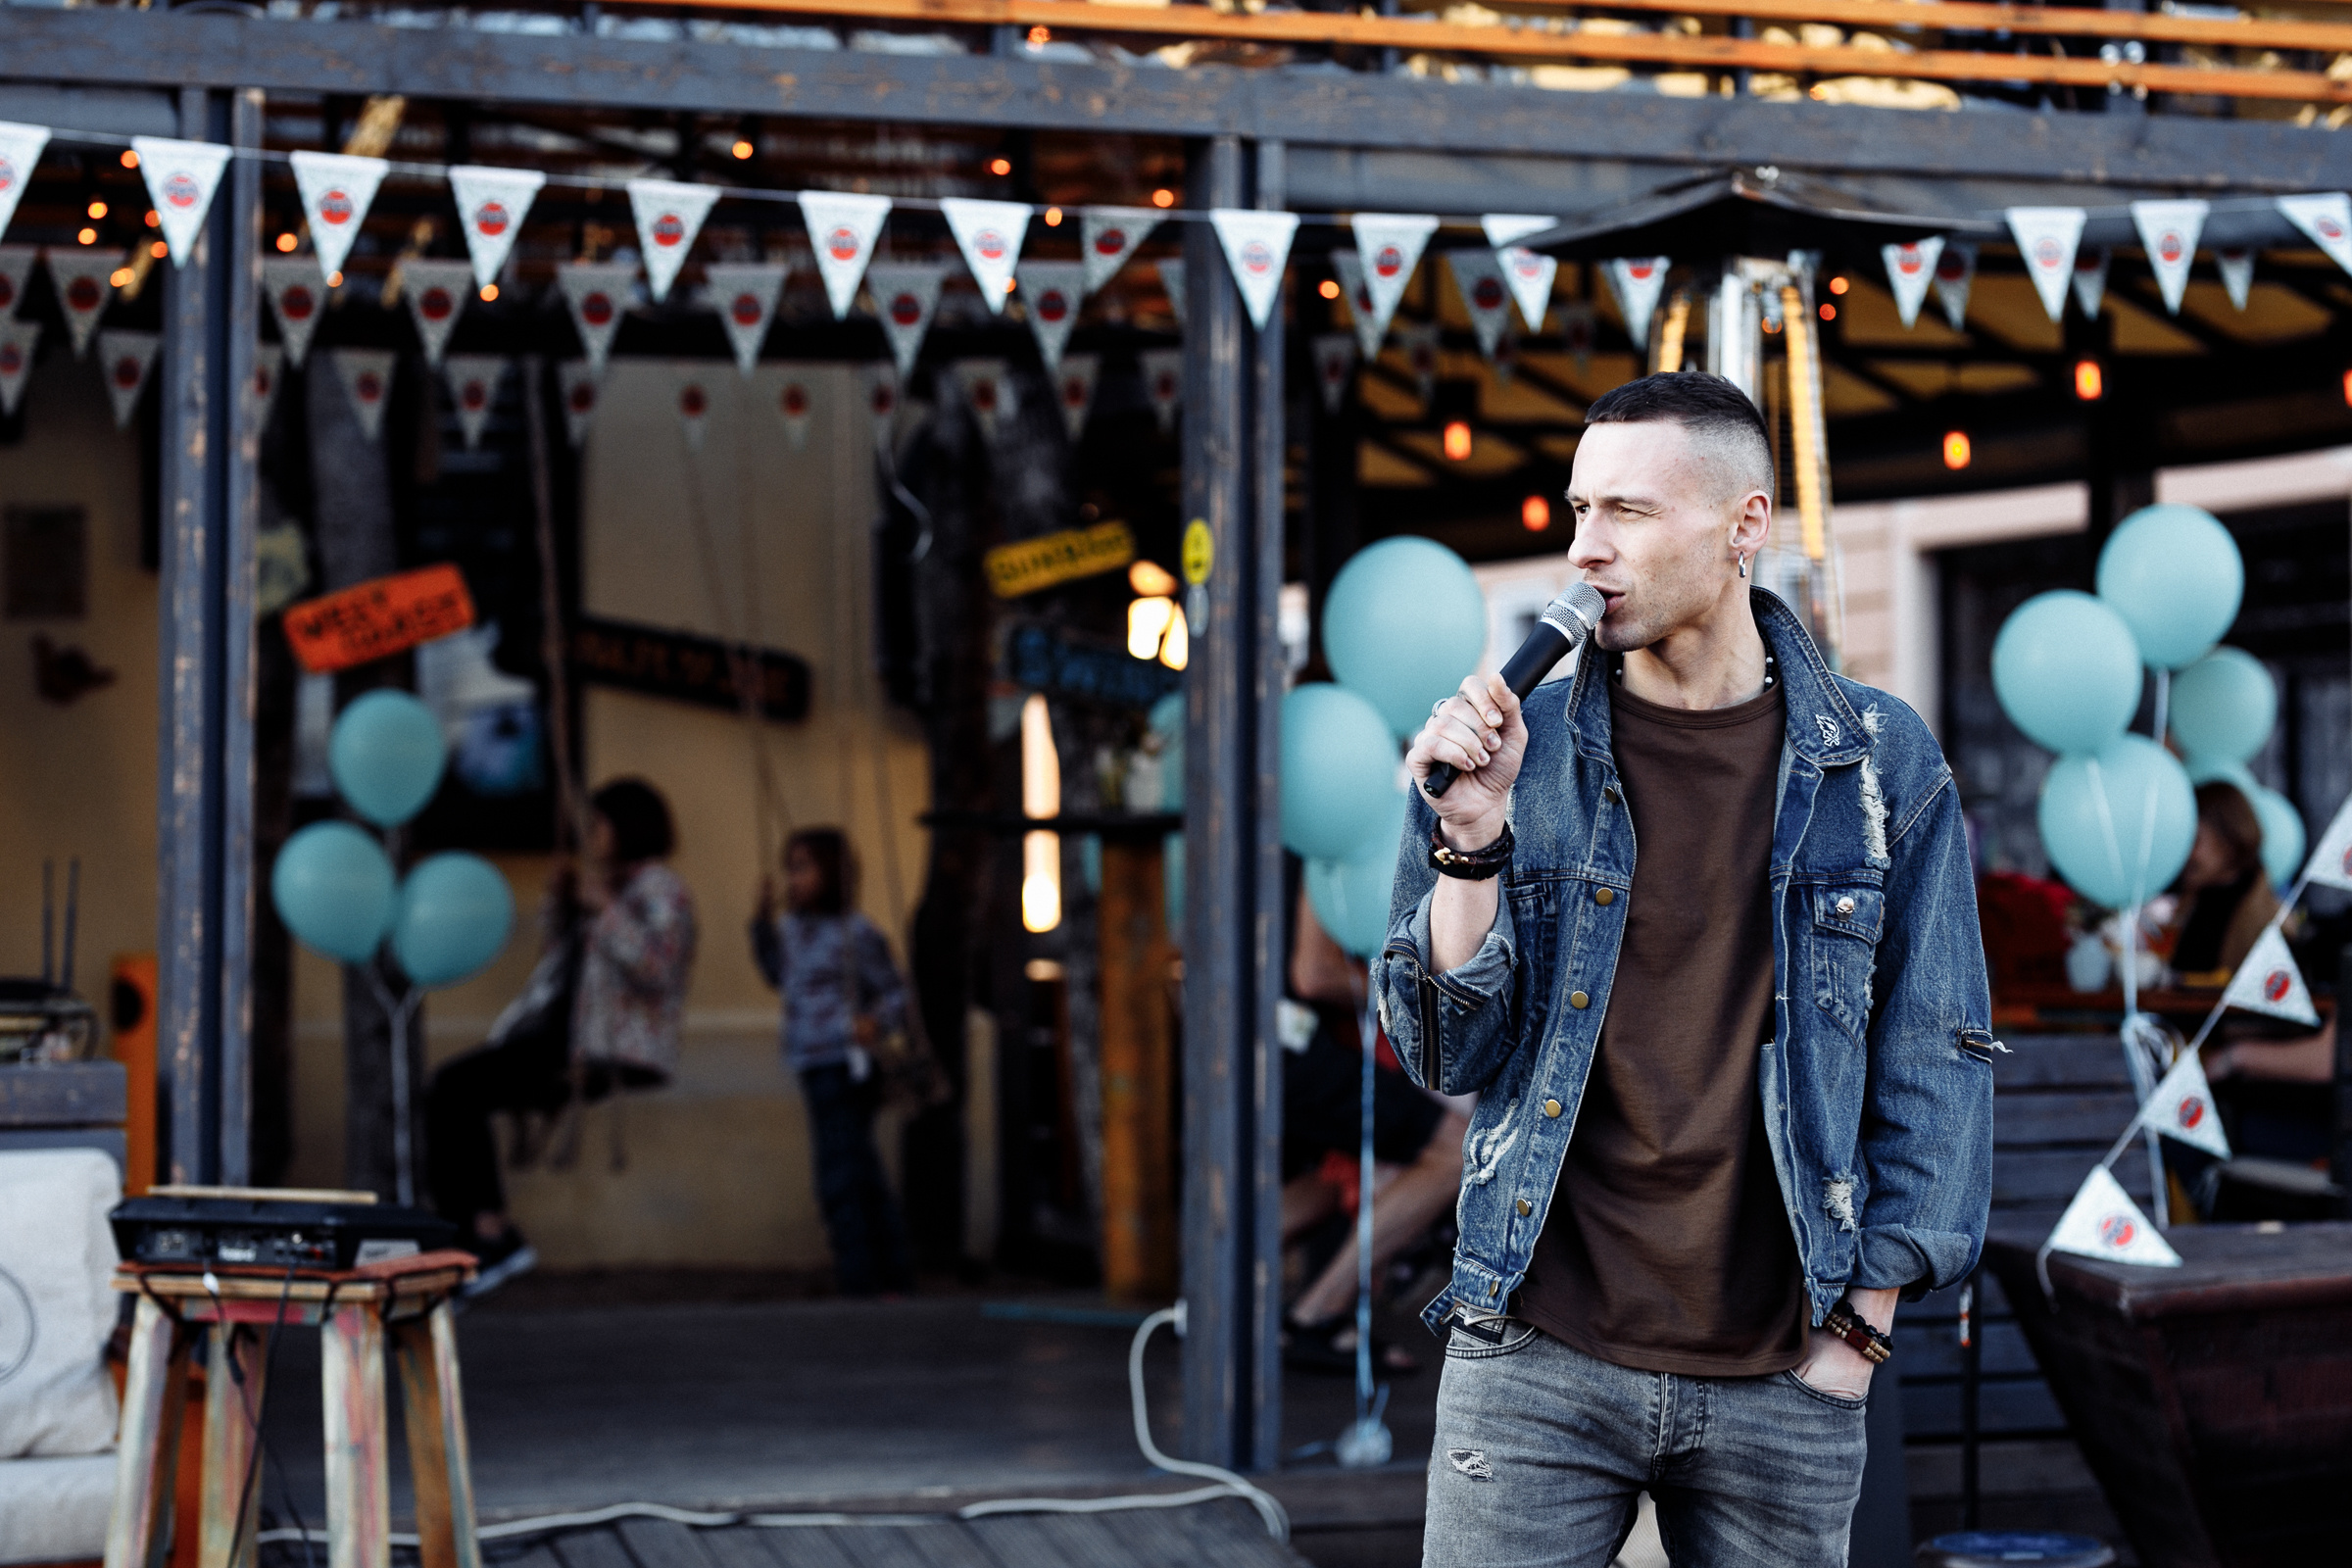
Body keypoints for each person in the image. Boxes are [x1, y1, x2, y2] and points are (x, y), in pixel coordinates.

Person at [1376, 371, 1995, 1566]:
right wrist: (1471, 840)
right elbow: (1446, 1053)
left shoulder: (1874, 764)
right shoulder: (1518, 747)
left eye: (1628, 513)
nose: (1585, 550)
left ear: (1743, 526)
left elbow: (1938, 1057)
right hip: (1537, 1355)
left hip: (1784, 1369)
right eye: (1577, 510)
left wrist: (1857, 1341)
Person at [426, 778, 698, 1295]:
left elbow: (657, 967)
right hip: (565, 1033)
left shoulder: (660, 889)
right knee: (449, 1090)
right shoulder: (610, 887)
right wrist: (561, 906)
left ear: (626, 826)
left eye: (598, 825)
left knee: (455, 1089)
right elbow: (562, 965)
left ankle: (491, 1234)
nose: (591, 836)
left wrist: (604, 909)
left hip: (612, 1043)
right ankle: (470, 1240)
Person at [1281, 880, 1470, 1375]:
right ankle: (1316, 1314)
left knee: (1340, 1169)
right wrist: (1425, 996)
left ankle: (1206, 1304)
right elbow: (1314, 974)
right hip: (1292, 1042)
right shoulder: (1335, 835)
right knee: (1454, 1151)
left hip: (1268, 1034)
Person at [752, 827, 915, 1297]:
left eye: (803, 867)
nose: (792, 879)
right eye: (789, 868)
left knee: (840, 1174)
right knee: (857, 1168)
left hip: (845, 1063)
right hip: (810, 1061)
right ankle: (888, 1272)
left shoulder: (857, 933)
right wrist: (761, 922)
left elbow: (896, 992)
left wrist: (875, 1021)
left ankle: (861, 1276)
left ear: (833, 872)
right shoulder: (791, 930)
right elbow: (776, 974)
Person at [2167, 781, 2280, 980]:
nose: (2185, 853)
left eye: (2194, 840)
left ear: (2228, 840)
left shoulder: (2269, 922)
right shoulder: (2190, 903)